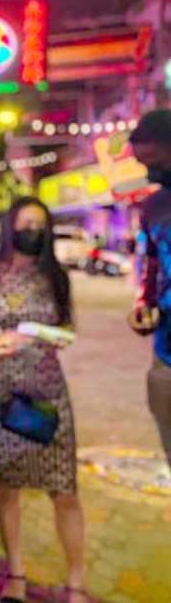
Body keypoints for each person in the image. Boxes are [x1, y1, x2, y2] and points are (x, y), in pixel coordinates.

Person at [0, 197, 86, 603]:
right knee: (8, 486)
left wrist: (37, 334)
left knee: (65, 490)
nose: (32, 232)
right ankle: (16, 574)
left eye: (40, 225)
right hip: (3, 395)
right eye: (25, 224)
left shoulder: (55, 277)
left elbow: (67, 331)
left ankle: (76, 581)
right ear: (9, 228)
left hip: (48, 393)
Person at [128, 109, 171, 466]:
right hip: (166, 347)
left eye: (155, 162)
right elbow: (152, 264)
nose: (150, 172)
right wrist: (144, 303)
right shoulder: (154, 205)